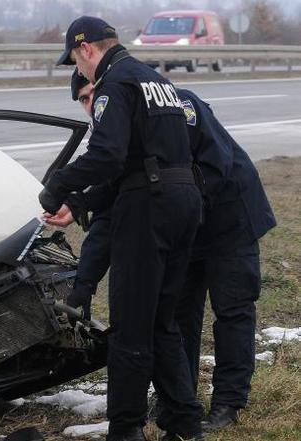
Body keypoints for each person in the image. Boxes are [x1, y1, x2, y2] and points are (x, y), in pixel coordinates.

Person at [56, 71, 277, 432]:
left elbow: (216, 164)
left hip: (228, 219)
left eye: (94, 93)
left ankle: (228, 401)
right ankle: (180, 398)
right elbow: (111, 210)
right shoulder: (113, 139)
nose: (93, 104)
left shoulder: (176, 105)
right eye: (83, 99)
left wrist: (175, 211)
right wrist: (84, 282)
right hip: (180, 230)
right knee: (176, 317)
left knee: (233, 313)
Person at [39, 17, 205, 441]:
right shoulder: (155, 80)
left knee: (131, 326)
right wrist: (80, 204)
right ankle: (185, 424)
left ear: (87, 50)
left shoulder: (115, 84)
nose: (80, 68)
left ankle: (126, 428)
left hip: (147, 212)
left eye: (76, 59)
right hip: (182, 202)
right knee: (161, 322)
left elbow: (108, 157)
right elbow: (137, 163)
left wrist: (58, 185)